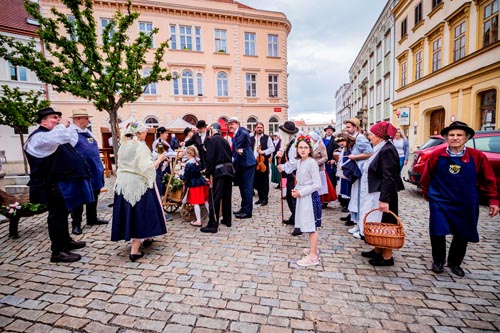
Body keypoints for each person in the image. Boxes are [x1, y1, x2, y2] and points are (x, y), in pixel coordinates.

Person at [420, 121, 499, 277]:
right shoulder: (437, 154)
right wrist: (426, 192)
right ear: (446, 137)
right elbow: (426, 176)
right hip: (440, 200)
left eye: (459, 135)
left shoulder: (477, 157)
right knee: (437, 230)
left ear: (466, 137)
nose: (455, 138)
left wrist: (493, 200)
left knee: (463, 232)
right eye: (451, 135)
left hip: (466, 201)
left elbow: (488, 179)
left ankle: (455, 263)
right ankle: (438, 261)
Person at [24, 107, 93, 262]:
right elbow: (59, 136)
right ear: (43, 122)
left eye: (58, 117)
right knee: (56, 216)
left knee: (63, 214)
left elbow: (68, 138)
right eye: (54, 118)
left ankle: (66, 241)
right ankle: (57, 251)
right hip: (51, 183)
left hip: (62, 182)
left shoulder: (52, 134)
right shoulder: (39, 138)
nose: (57, 120)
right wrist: (62, 124)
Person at [111, 121, 167, 262]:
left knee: (131, 212)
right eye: (144, 132)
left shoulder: (123, 145)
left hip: (123, 185)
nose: (146, 134)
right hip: (139, 185)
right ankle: (134, 250)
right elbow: (146, 167)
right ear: (138, 133)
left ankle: (146, 236)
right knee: (140, 214)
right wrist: (160, 159)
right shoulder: (140, 146)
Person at [358, 121, 404, 266]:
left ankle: (387, 257)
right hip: (375, 192)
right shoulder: (380, 148)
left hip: (383, 194)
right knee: (377, 222)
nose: (369, 136)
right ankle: (378, 249)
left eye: (371, 134)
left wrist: (384, 199)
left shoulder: (387, 150)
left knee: (386, 225)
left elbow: (389, 176)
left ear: (379, 135)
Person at [69, 109, 107, 236]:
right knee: (79, 196)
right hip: (81, 170)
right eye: (86, 118)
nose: (88, 120)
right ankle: (76, 224)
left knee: (94, 193)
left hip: (94, 168)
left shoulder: (87, 131)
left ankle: (92, 218)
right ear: (78, 119)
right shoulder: (71, 133)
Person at [292, 135, 322, 267]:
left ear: (310, 149)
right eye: (300, 147)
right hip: (302, 196)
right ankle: (312, 249)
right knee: (306, 223)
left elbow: (317, 184)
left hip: (310, 197)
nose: (303, 150)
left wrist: (302, 192)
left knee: (311, 226)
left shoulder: (312, 163)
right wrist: (296, 189)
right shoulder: (300, 162)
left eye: (305, 147)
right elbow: (300, 180)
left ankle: (313, 255)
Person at [201, 122, 235, 233]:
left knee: (214, 198)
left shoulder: (211, 140)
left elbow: (210, 158)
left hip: (219, 171)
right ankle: (227, 219)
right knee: (226, 197)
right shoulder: (225, 141)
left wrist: (208, 173)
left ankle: (213, 224)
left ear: (212, 130)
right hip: (229, 171)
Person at [344, 118, 373, 240]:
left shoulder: (360, 138)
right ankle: (356, 222)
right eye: (346, 127)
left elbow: (369, 152)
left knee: (359, 198)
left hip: (360, 171)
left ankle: (360, 224)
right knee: (355, 197)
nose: (347, 129)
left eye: (349, 127)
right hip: (355, 170)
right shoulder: (352, 138)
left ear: (355, 127)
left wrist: (354, 157)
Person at [228, 117, 256, 219]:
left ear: (237, 123)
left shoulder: (242, 131)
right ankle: (243, 208)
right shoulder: (236, 133)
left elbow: (242, 139)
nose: (230, 126)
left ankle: (247, 211)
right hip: (241, 163)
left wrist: (237, 147)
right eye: (229, 124)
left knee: (247, 187)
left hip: (247, 163)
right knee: (242, 187)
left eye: (232, 124)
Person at [277, 121, 300, 235]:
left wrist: (283, 167)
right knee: (291, 198)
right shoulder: (289, 143)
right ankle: (294, 217)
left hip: (294, 174)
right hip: (290, 174)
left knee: (294, 198)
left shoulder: (293, 145)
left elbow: (293, 162)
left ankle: (299, 224)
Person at [180, 146, 209, 227]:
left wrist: (180, 175)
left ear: (189, 153)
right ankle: (212, 216)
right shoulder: (197, 161)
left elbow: (186, 177)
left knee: (196, 202)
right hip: (201, 182)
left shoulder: (188, 164)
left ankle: (198, 220)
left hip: (194, 185)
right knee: (206, 200)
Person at [152, 127, 176, 222]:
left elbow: (167, 154)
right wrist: (169, 156)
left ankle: (162, 208)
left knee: (164, 184)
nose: (168, 135)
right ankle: (160, 211)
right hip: (159, 167)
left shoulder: (165, 142)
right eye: (166, 133)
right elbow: (162, 154)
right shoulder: (157, 143)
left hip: (165, 166)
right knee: (160, 186)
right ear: (161, 133)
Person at [309, 131, 337, 208]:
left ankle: (322, 201)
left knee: (321, 185)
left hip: (319, 168)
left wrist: (317, 163)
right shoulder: (311, 145)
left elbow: (325, 157)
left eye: (311, 137)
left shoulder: (321, 145)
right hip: (311, 169)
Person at [251, 122, 275, 206]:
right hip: (254, 162)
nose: (260, 129)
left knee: (264, 181)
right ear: (255, 128)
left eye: (261, 127)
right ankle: (260, 198)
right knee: (256, 181)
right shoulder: (251, 137)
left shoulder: (267, 138)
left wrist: (263, 152)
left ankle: (265, 199)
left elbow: (272, 148)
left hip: (263, 162)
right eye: (258, 127)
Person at [336, 133, 356, 226]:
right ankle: (350, 214)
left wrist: (344, 166)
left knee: (351, 193)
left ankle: (353, 216)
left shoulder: (351, 149)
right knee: (346, 191)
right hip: (344, 171)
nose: (341, 144)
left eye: (343, 141)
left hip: (349, 172)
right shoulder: (345, 149)